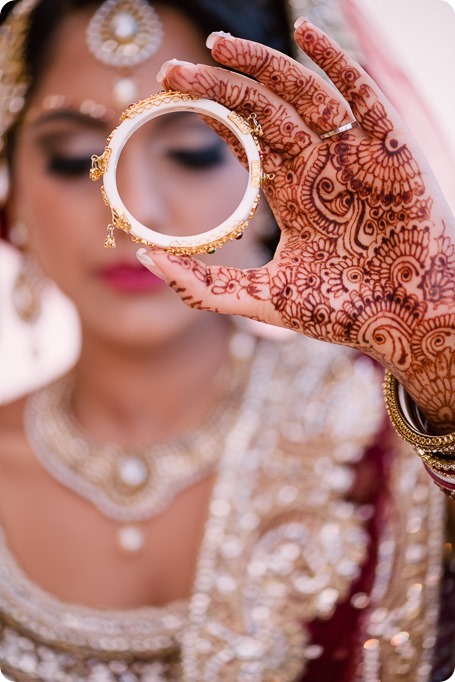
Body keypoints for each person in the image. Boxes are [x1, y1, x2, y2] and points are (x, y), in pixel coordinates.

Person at [0, 1, 453, 681]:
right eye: (75, 159)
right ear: (13, 200)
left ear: (275, 182)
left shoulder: (399, 434)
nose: (136, 211)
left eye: (194, 149)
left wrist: (439, 363)